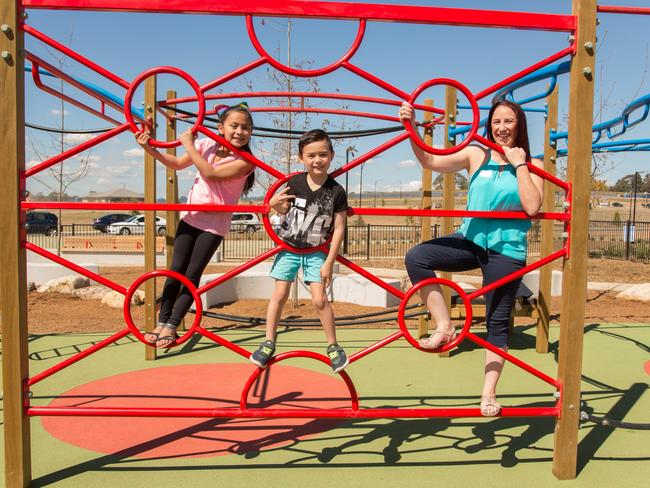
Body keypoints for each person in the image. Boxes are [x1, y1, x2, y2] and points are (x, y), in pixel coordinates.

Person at [398, 99, 544, 416]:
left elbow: (532, 207)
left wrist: (520, 164)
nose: (502, 128)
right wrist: (411, 129)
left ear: (519, 125)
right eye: (496, 122)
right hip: (471, 241)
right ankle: (444, 326)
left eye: (508, 121)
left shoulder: (535, 165)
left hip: (507, 250)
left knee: (496, 323)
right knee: (417, 257)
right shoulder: (476, 153)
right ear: (488, 125)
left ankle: (488, 394)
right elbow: (429, 160)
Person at [135, 104, 256, 348]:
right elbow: (177, 163)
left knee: (192, 274)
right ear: (221, 128)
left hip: (214, 224)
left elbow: (210, 173)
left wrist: (189, 144)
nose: (240, 131)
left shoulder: (246, 161)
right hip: (191, 217)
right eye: (234, 126)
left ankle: (173, 325)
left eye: (246, 128)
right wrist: (149, 148)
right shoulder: (206, 145)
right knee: (175, 269)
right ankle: (161, 321)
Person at [250, 129, 349, 373]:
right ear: (301, 158)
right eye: (311, 155)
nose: (317, 160)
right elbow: (283, 211)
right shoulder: (293, 183)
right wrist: (273, 205)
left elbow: (339, 228)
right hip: (289, 249)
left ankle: (333, 346)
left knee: (319, 299)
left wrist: (329, 262)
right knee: (280, 293)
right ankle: (269, 341)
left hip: (316, 252)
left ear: (332, 155)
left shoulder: (336, 191)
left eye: (323, 155)